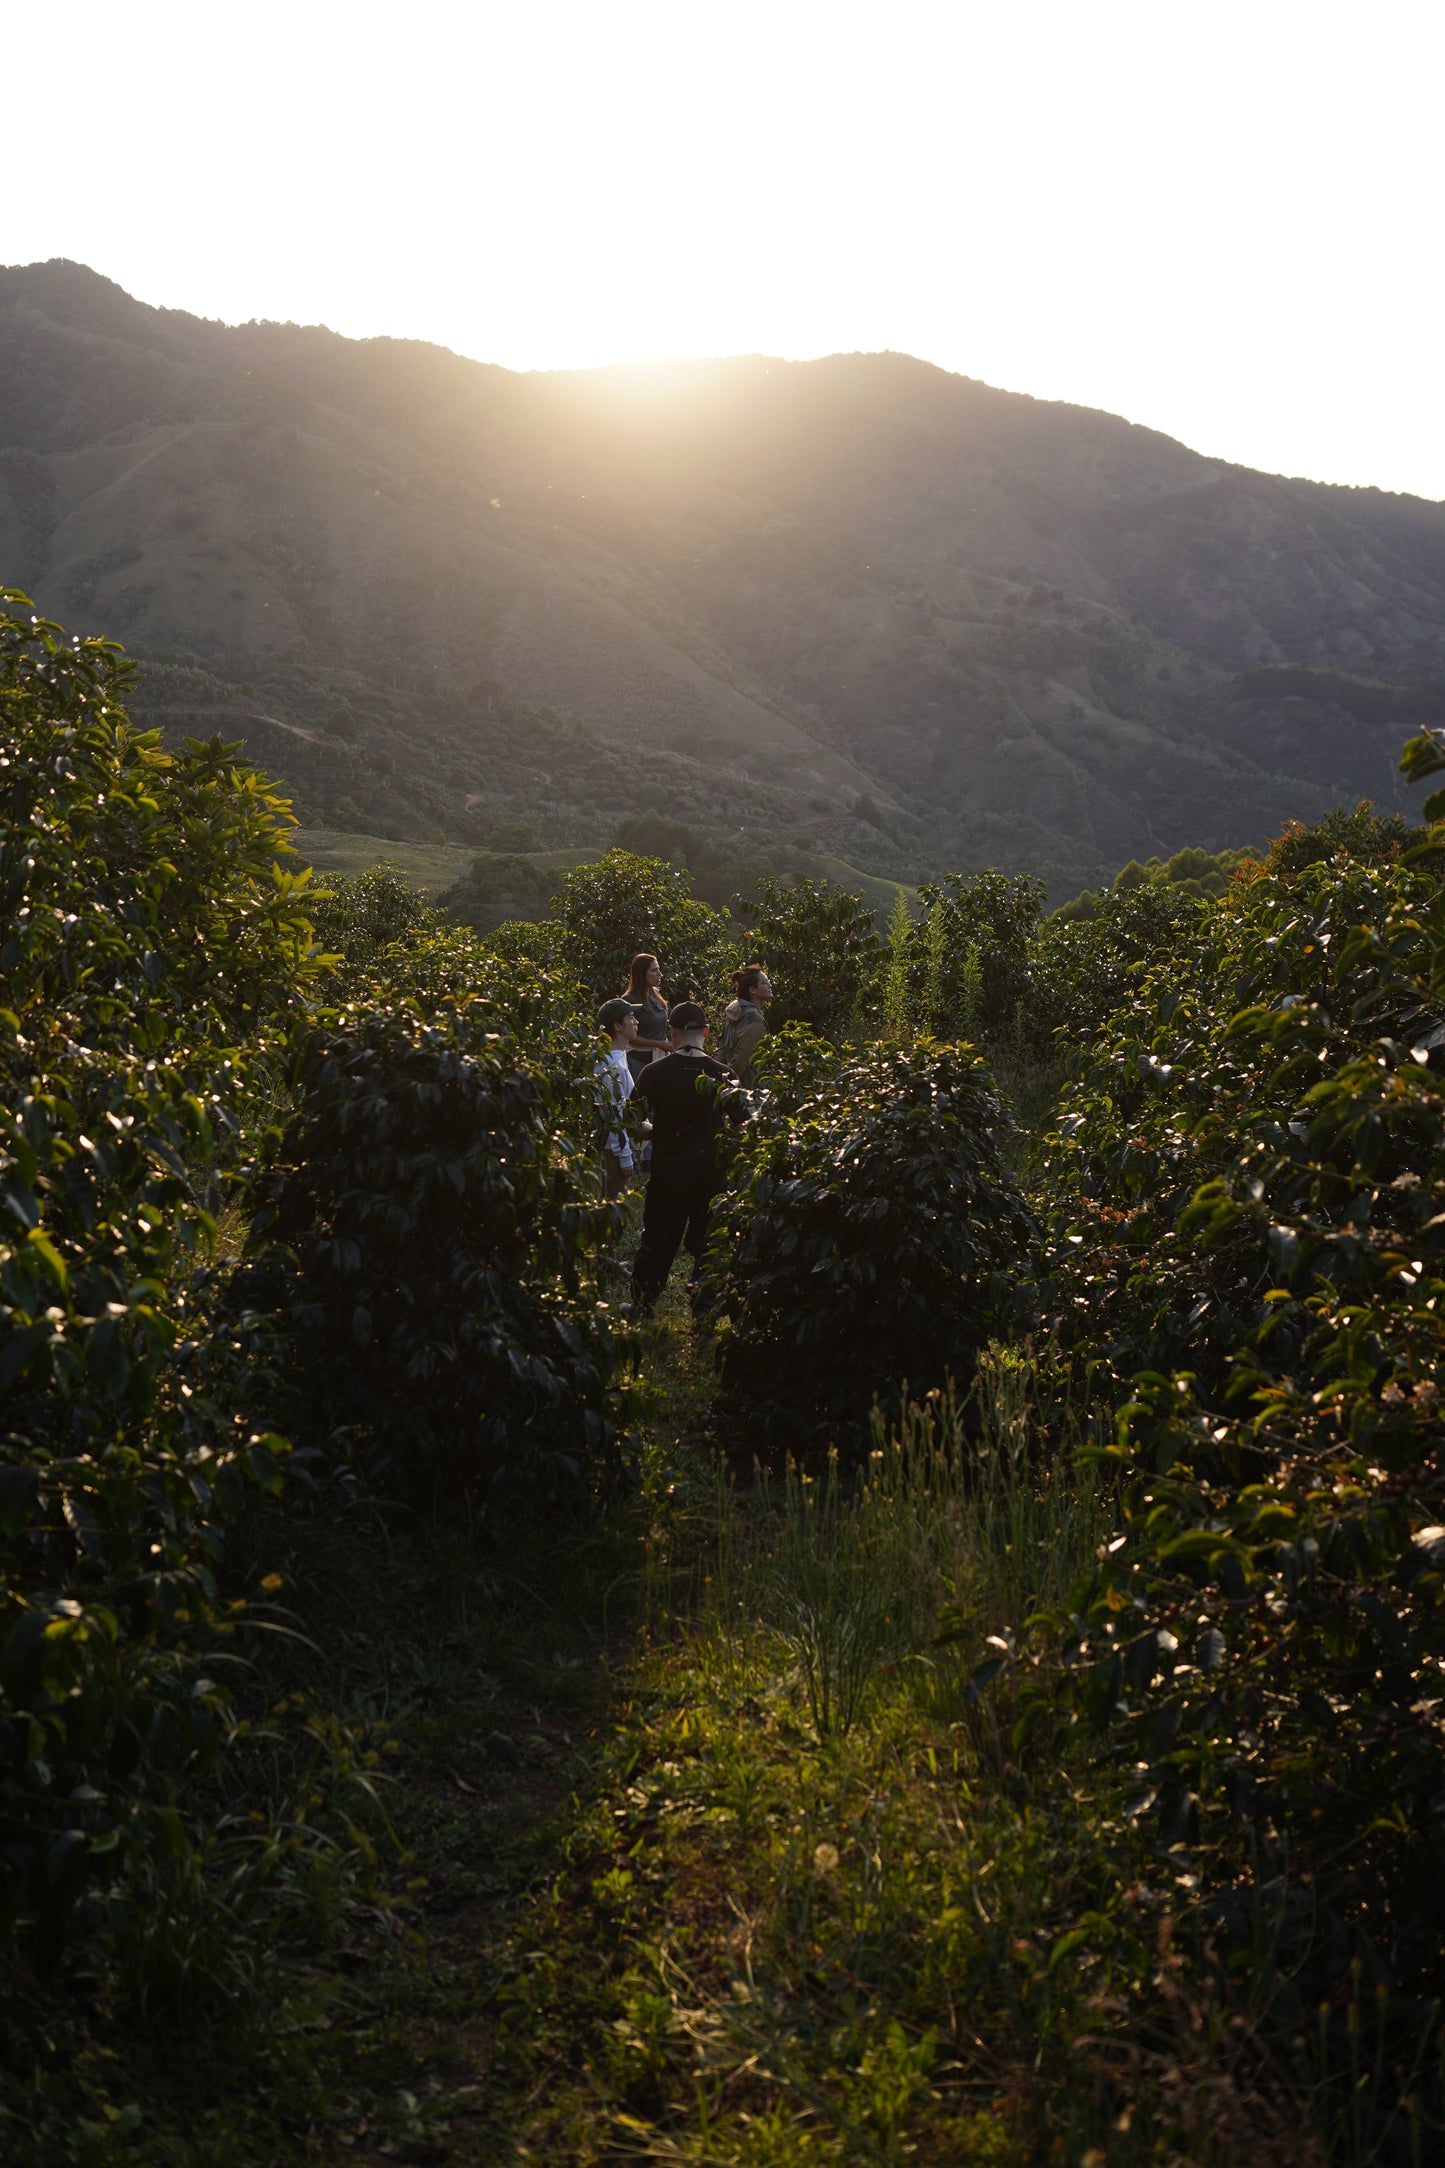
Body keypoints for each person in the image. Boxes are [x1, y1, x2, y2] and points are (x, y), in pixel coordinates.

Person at [629, 1000, 743, 1312]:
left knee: (657, 1241)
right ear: (706, 1031)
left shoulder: (654, 1072)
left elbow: (633, 1121)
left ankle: (642, 1305)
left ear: (672, 1032)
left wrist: (656, 1131)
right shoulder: (724, 1074)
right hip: (710, 1172)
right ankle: (703, 1310)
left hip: (667, 1171)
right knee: (708, 1244)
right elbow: (743, 1121)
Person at [594, 998, 650, 1198]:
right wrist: (625, 1157)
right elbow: (614, 1115)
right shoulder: (614, 1065)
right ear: (617, 1026)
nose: (636, 1023)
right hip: (613, 1149)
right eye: (630, 1018)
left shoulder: (618, 1056)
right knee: (613, 1202)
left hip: (614, 1146)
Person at [622, 952, 669, 1085]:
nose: (659, 974)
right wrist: (659, 1044)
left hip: (658, 1059)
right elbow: (628, 1037)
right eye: (654, 970)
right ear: (642, 974)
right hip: (638, 1061)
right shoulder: (630, 1000)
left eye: (658, 969)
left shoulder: (655, 996)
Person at [719, 964, 773, 1080]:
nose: (770, 985)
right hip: (749, 1089)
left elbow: (721, 1047)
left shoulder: (734, 1009)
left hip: (729, 1081)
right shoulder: (754, 1021)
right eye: (764, 983)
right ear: (752, 990)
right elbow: (740, 1060)